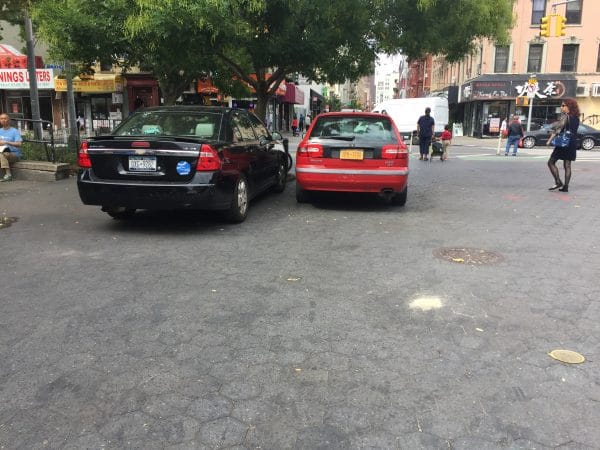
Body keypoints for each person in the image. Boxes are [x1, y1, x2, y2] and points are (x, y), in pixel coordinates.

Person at [546, 98, 580, 192]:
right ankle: (566, 187)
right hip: (572, 142)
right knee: (567, 165)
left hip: (564, 142)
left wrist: (549, 140)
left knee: (551, 162)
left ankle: (558, 182)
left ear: (569, 106)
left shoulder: (565, 116)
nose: (561, 107)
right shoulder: (576, 118)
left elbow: (557, 129)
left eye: (563, 105)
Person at [0, 113, 23, 182]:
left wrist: (7, 142)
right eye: (1, 119)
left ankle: (8, 174)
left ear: (9, 120)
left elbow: (19, 144)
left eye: (5, 118)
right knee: (1, 154)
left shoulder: (14, 131)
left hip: (14, 154)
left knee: (2, 154)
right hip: (2, 151)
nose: (3, 120)